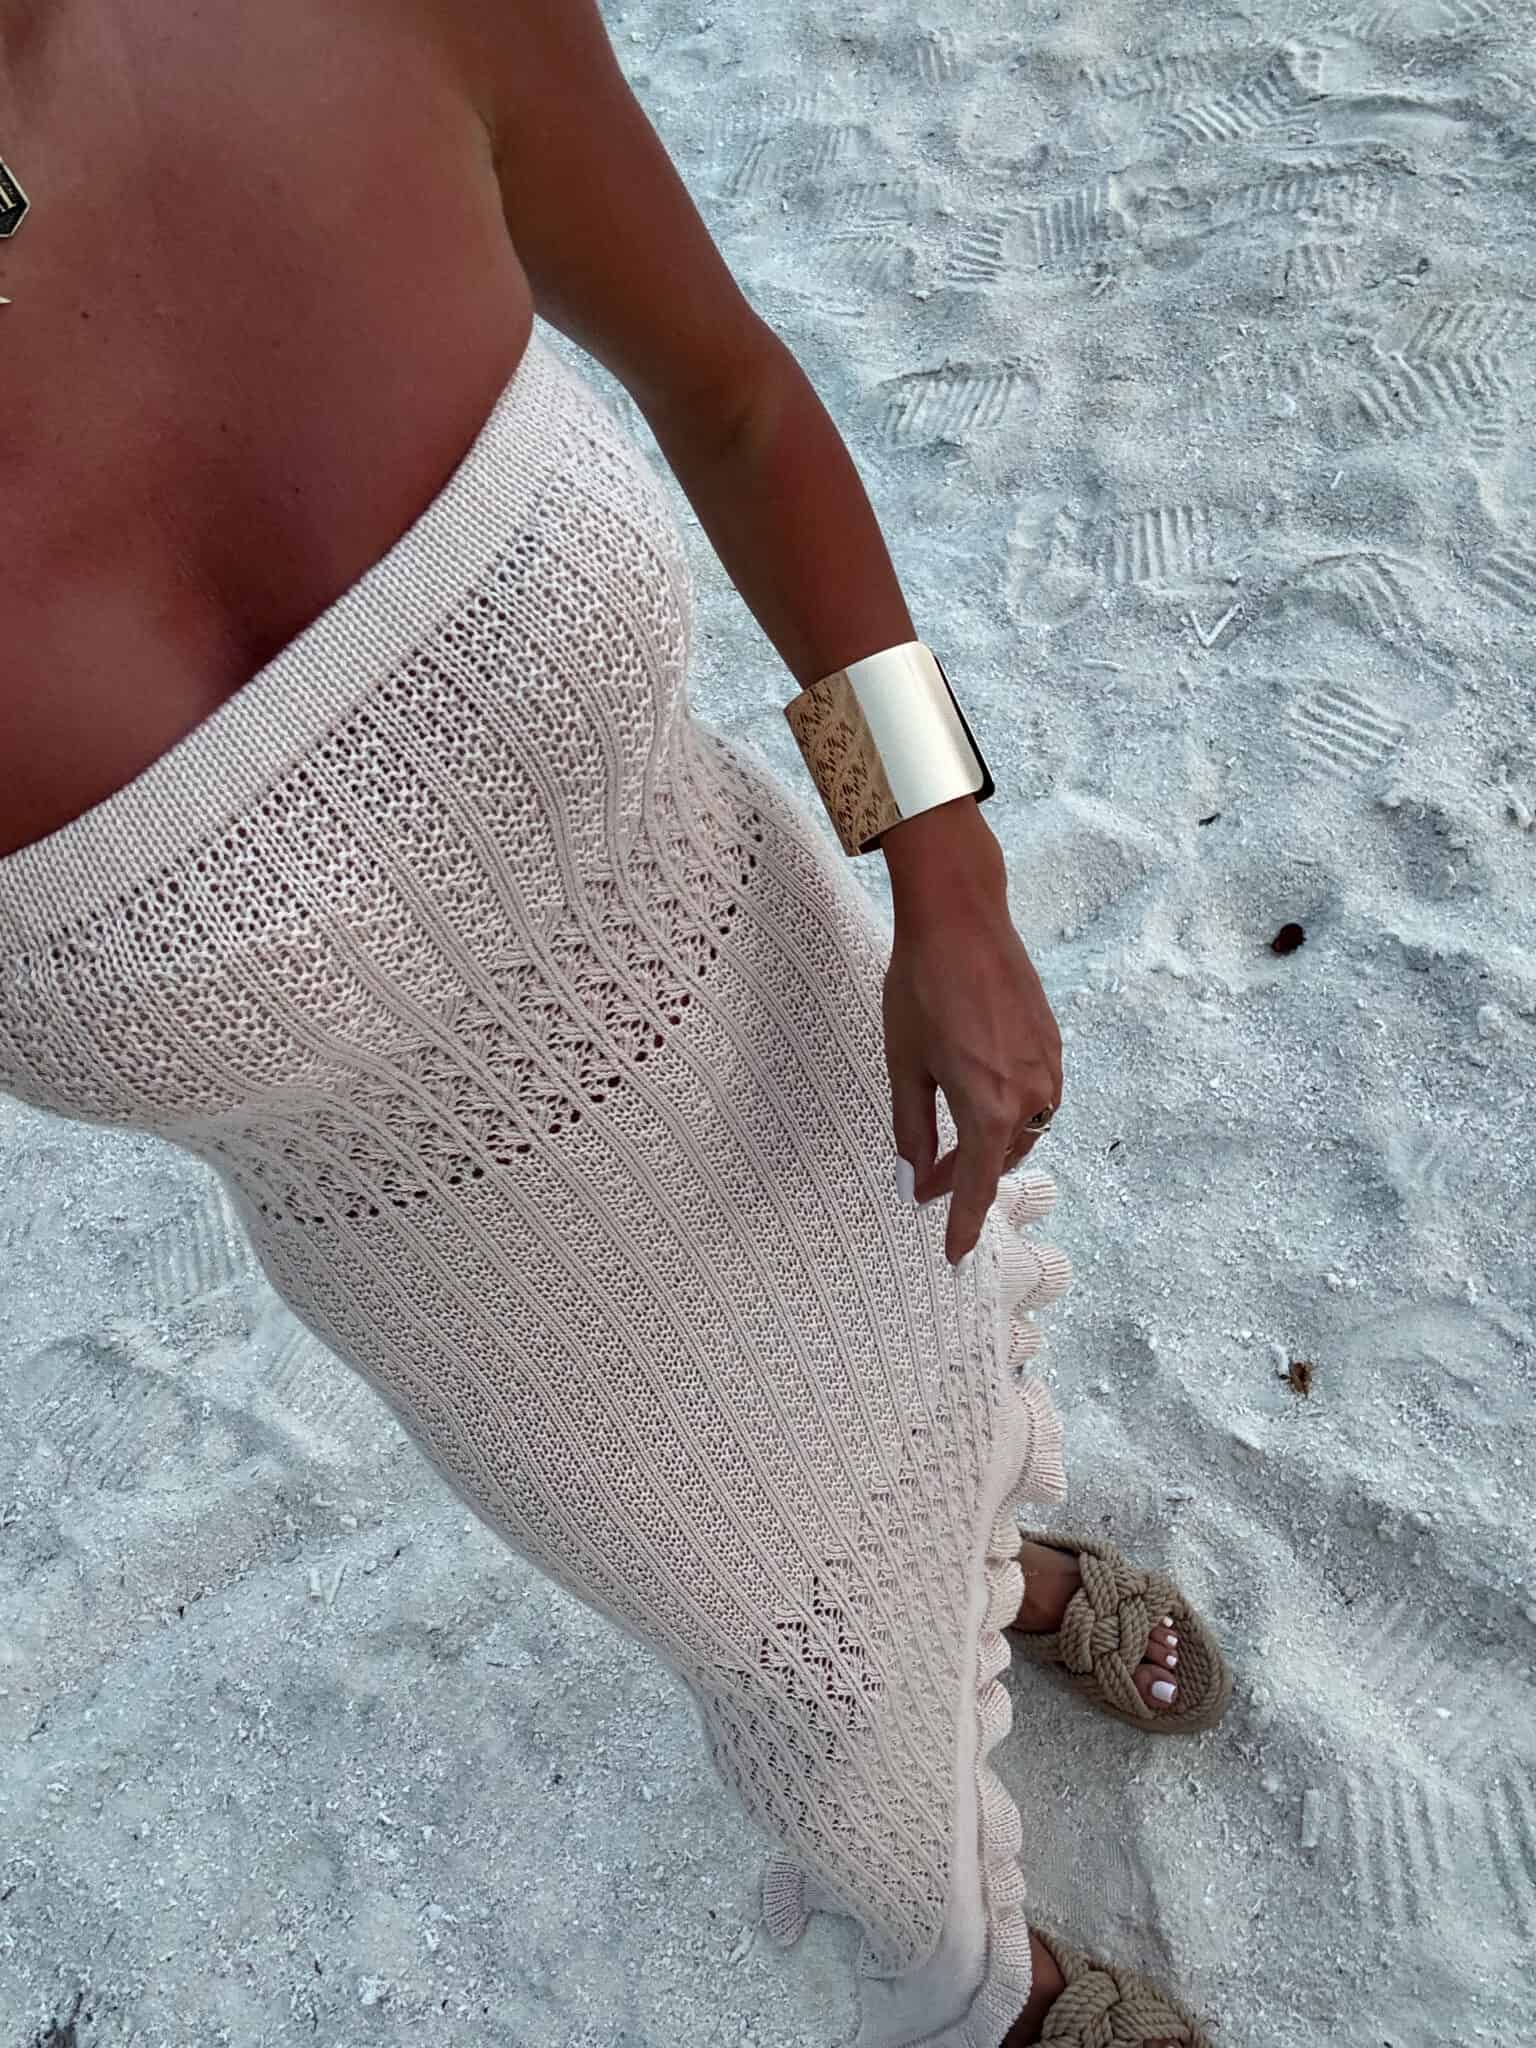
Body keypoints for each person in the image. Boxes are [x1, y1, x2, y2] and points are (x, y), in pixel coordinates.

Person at [0, 2, 1233, 2041]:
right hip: (493, 1305)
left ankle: (993, 1578)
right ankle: (982, 1986)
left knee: (925, 1374)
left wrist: (945, 866)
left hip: (785, 1021)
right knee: (793, 1665)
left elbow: (729, 400)